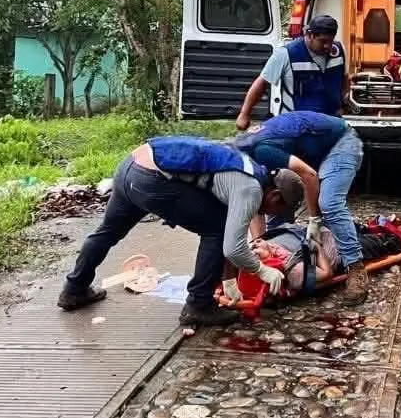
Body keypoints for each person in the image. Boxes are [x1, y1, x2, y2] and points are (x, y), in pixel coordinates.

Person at [57, 135, 305, 327]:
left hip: (131, 166)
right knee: (215, 228)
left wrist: (229, 280)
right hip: (150, 179)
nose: (272, 214)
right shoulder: (250, 188)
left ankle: (74, 289)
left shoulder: (247, 167)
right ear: (274, 194)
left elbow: (232, 231)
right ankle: (199, 305)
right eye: (277, 208)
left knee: (107, 232)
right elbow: (232, 245)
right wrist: (262, 270)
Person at [228, 111, 369, 305]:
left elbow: (309, 176)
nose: (266, 212)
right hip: (312, 147)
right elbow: (255, 205)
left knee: (328, 203)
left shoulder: (261, 152)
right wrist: (260, 248)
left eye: (272, 208)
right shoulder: (243, 167)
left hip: (341, 142)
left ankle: (355, 268)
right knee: (278, 202)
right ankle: (285, 235)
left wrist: (314, 220)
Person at [250, 214, 401, 295]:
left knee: (362, 227)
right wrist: (318, 248)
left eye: (255, 244)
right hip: (341, 250)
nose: (257, 243)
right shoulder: (294, 272)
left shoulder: (269, 242)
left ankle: (374, 227)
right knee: (387, 243)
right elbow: (327, 274)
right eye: (257, 250)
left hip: (327, 230)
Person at [236, 15, 347, 130]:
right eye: (323, 41)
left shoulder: (338, 51)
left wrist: (343, 102)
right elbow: (261, 83)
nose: (328, 46)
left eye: (330, 41)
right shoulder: (286, 54)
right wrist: (244, 114)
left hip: (331, 123)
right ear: (310, 35)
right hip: (295, 126)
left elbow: (344, 78)